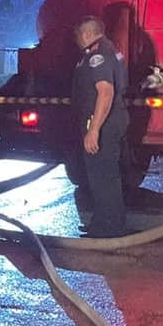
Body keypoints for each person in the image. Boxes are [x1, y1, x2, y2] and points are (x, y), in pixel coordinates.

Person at [72, 16, 130, 237]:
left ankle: (110, 227)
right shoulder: (106, 50)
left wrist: (94, 129)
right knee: (100, 175)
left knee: (104, 176)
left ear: (87, 34)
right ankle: (102, 223)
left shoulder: (99, 55)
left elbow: (105, 92)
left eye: (78, 35)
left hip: (104, 122)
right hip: (107, 120)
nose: (76, 40)